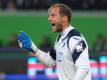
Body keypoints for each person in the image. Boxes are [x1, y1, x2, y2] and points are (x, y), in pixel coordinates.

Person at [18, 3, 91, 80]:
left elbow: (84, 68)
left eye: (53, 15)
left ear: (64, 18)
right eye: (49, 16)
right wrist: (32, 47)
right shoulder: (60, 39)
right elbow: (49, 62)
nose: (49, 19)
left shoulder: (75, 38)